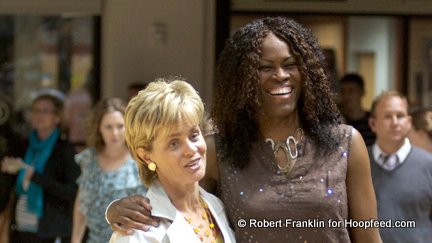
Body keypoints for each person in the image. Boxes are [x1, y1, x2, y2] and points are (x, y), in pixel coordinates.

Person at [106, 17, 381, 242]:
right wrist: (114, 211)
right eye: (264, 67)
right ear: (242, 78)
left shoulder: (345, 144)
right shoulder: (219, 151)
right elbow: (177, 203)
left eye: (290, 65)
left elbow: (368, 237)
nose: (281, 76)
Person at [109, 78, 235, 242]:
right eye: (174, 143)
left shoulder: (217, 206)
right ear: (145, 156)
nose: (191, 149)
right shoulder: (137, 234)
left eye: (194, 135)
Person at [0, 88, 80, 243]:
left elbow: (72, 193)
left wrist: (36, 177)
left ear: (57, 117)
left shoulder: (65, 150)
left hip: (50, 231)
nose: (38, 115)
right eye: (35, 111)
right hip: (20, 228)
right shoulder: (24, 146)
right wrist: (8, 170)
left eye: (44, 111)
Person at [71, 97, 147, 243]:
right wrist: (75, 240)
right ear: (99, 128)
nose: (115, 133)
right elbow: (81, 205)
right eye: (108, 127)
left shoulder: (140, 160)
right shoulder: (89, 159)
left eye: (120, 126)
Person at [367, 91, 432, 242]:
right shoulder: (357, 164)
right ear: (373, 123)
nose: (395, 122)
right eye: (388, 116)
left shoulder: (429, 165)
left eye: (400, 116)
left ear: (409, 122)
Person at [339, 73, 376, 146]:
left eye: (351, 91)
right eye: (343, 91)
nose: (346, 96)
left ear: (362, 92)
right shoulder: (340, 122)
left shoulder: (373, 122)